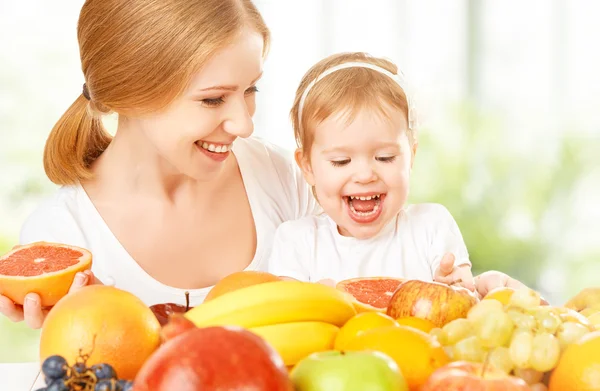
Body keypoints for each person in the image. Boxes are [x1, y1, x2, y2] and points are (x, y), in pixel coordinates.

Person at [0, 0, 320, 329]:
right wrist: (102, 320)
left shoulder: (286, 178)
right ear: (129, 94)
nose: (244, 125)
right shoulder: (63, 232)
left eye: (250, 89)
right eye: (212, 99)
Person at [267, 52, 476, 289]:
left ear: (411, 157)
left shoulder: (432, 227)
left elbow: (463, 296)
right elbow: (286, 315)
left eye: (385, 158)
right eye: (341, 161)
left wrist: (455, 285)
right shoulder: (297, 242)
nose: (366, 175)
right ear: (307, 166)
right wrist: (311, 300)